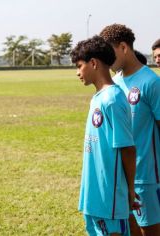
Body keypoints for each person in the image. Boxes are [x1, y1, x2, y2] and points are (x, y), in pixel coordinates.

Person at [71, 36, 138, 236]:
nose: (77, 72)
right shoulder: (98, 98)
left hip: (110, 197)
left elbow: (127, 148)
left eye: (79, 66)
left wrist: (130, 190)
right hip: (95, 196)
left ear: (93, 63)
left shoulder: (113, 99)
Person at [100, 24, 160, 236]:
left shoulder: (151, 82)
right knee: (128, 229)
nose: (106, 59)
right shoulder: (113, 83)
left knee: (149, 231)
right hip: (120, 175)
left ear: (124, 47)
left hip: (146, 176)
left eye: (110, 52)